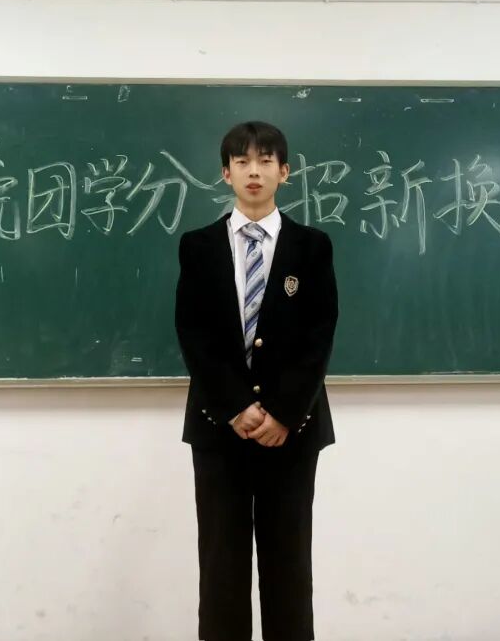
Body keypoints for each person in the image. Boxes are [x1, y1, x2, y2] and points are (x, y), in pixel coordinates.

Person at [175, 120, 339, 641]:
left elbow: (319, 336)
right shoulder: (198, 246)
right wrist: (235, 406)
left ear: (284, 172)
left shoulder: (312, 247)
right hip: (219, 428)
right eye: (242, 161)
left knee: (288, 567)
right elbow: (193, 334)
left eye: (266, 161)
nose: (254, 171)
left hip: (292, 431)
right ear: (225, 173)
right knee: (221, 569)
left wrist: (284, 413)